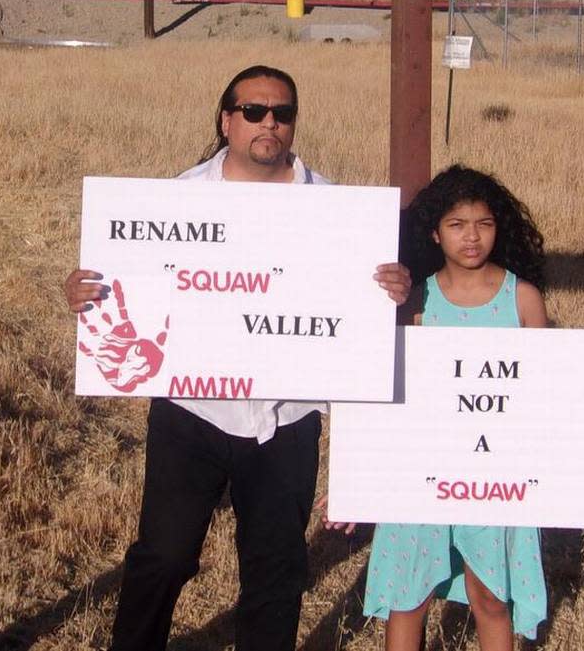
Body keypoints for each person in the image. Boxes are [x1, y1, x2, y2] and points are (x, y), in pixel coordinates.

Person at [65, 64, 411, 651]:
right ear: (227, 121)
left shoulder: (339, 211)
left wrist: (393, 293)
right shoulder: (176, 200)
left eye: (282, 113)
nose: (268, 123)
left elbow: (361, 314)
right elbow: (128, 290)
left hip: (288, 418)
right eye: (254, 111)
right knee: (164, 557)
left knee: (276, 572)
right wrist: (84, 293)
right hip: (192, 411)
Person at [360, 164, 549, 650]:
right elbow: (387, 394)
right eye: (457, 225)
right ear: (435, 234)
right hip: (421, 470)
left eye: (484, 224)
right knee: (409, 597)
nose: (472, 237)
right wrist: (358, 478)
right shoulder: (417, 302)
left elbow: (547, 390)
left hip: (494, 472)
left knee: (490, 595)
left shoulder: (523, 299)